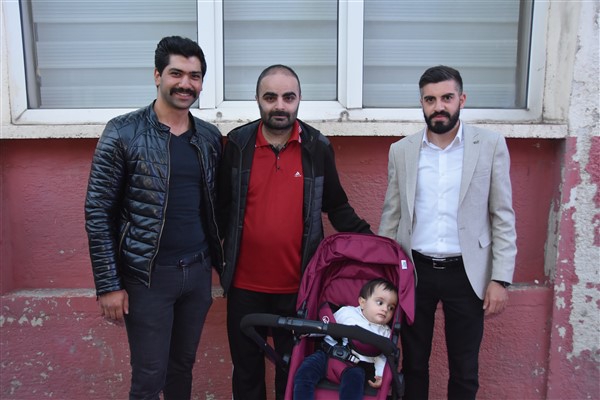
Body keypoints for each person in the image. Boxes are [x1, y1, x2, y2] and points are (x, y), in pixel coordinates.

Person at [218, 64, 372, 400]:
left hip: (299, 290)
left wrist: (375, 244)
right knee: (246, 374)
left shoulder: (317, 147)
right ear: (257, 99)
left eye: (288, 97)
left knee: (292, 374)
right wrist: (217, 262)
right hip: (244, 289)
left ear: (299, 99)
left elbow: (337, 207)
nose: (280, 105)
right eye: (270, 97)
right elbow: (221, 211)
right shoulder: (237, 145)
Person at [84, 36, 222, 400]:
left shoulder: (209, 137)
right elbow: (98, 210)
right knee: (148, 377)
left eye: (194, 76)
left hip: (196, 273)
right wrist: (108, 284)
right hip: (147, 277)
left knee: (182, 368)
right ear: (157, 75)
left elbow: (217, 207)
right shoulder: (123, 132)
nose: (186, 84)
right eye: (177, 73)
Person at [378, 65, 517, 400]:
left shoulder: (490, 145)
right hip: (415, 271)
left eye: (446, 98)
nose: (438, 106)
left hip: (468, 273)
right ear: (422, 103)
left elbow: (502, 215)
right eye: (430, 99)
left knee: (465, 369)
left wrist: (500, 278)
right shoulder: (402, 150)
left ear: (461, 100)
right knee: (413, 365)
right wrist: (385, 274)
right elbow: (392, 215)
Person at [292, 278, 399, 400]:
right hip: (325, 355)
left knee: (354, 387)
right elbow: (324, 327)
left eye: (391, 308)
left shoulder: (384, 333)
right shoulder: (347, 313)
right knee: (304, 373)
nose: (385, 309)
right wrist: (307, 332)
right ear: (362, 302)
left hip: (354, 366)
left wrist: (380, 374)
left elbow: (381, 356)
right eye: (380, 303)